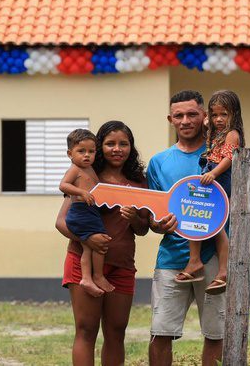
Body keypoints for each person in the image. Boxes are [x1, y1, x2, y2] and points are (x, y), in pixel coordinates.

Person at [56, 121, 153, 366]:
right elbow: (61, 222)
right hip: (84, 264)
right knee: (86, 330)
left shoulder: (139, 182)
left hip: (122, 265)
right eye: (110, 144)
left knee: (116, 332)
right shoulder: (87, 176)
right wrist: (87, 239)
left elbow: (142, 229)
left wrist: (134, 218)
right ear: (100, 147)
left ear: (131, 147)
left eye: (123, 144)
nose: (117, 149)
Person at [147, 90, 226, 366]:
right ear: (170, 120)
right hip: (171, 258)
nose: (185, 120)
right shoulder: (158, 162)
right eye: (178, 115)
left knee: (217, 333)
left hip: (214, 256)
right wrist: (159, 225)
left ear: (204, 116)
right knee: (160, 332)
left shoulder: (219, 156)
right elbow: (153, 217)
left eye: (192, 114)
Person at [176, 90, 245, 295]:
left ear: (234, 114)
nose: (218, 119)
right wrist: (207, 121)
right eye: (214, 115)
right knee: (197, 215)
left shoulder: (232, 134)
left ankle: (223, 271)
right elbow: (207, 124)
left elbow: (228, 158)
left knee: (217, 226)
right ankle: (194, 261)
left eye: (224, 114)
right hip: (210, 177)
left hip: (219, 179)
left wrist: (213, 173)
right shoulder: (217, 132)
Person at [59, 128, 113, 297]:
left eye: (91, 151)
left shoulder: (90, 169)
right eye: (81, 151)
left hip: (90, 212)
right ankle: (97, 276)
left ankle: (87, 278)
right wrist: (81, 192)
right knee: (99, 244)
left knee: (88, 249)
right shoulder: (75, 169)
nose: (87, 155)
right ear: (70, 154)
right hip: (80, 212)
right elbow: (63, 185)